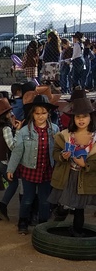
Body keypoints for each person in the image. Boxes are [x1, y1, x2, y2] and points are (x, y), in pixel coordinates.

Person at [7, 94, 59, 234]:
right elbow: (17, 151)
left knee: (45, 200)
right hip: (29, 170)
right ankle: (23, 221)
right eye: (37, 113)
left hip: (47, 171)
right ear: (32, 114)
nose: (40, 116)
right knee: (27, 199)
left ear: (48, 113)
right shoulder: (24, 131)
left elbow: (57, 149)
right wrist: (11, 168)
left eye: (43, 113)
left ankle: (43, 225)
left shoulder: (54, 129)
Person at [48, 92, 96, 237]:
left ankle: (77, 230)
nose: (81, 120)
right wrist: (62, 156)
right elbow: (55, 153)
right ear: (73, 118)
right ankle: (59, 220)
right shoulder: (65, 135)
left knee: (80, 207)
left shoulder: (94, 138)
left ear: (90, 117)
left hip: (86, 178)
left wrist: (86, 165)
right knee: (65, 200)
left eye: (85, 116)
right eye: (78, 117)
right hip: (68, 176)